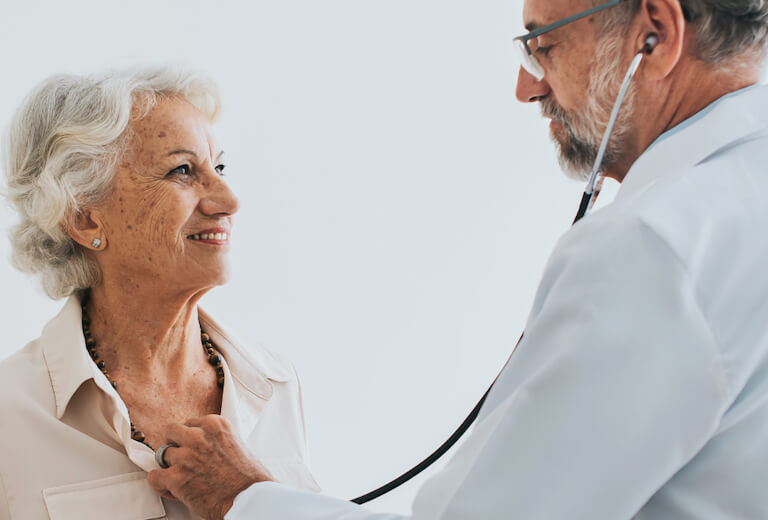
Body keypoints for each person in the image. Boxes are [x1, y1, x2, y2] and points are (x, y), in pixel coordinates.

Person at [147, 0, 768, 518]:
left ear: (654, 36)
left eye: (542, 45)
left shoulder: (652, 246)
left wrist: (245, 499)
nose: (528, 87)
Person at [0, 68, 319, 520]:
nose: (228, 199)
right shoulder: (8, 414)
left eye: (220, 167)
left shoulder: (275, 386)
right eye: (183, 171)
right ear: (85, 219)